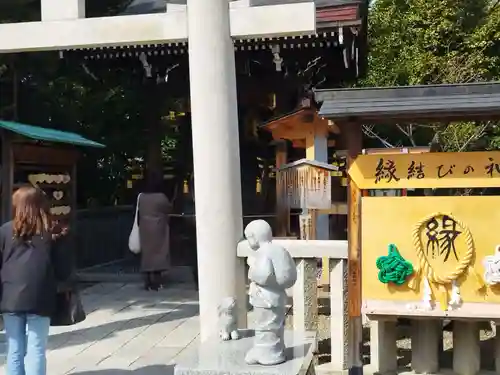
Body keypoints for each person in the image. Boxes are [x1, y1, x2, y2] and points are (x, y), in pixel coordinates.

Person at [0, 185, 71, 375]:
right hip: (40, 296)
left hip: (10, 297)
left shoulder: (5, 231)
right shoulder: (50, 233)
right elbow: (63, 270)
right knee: (36, 349)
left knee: (14, 348)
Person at [138, 173, 172, 291]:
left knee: (147, 254)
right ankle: (157, 282)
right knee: (158, 254)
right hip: (158, 228)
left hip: (144, 228)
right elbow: (168, 209)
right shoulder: (161, 197)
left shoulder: (141, 197)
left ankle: (147, 281)